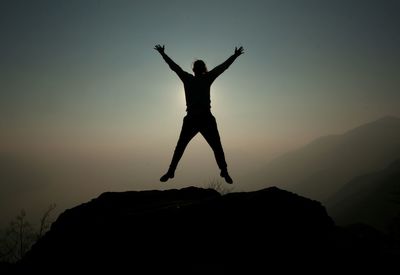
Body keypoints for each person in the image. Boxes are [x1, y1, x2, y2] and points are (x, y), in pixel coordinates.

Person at [154, 44, 244, 184]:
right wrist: (235, 56)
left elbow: (174, 67)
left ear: (194, 69)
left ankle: (171, 171)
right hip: (202, 118)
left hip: (195, 118)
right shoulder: (202, 78)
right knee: (215, 146)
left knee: (182, 146)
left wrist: (163, 54)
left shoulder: (190, 78)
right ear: (203, 69)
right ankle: (224, 171)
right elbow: (223, 67)